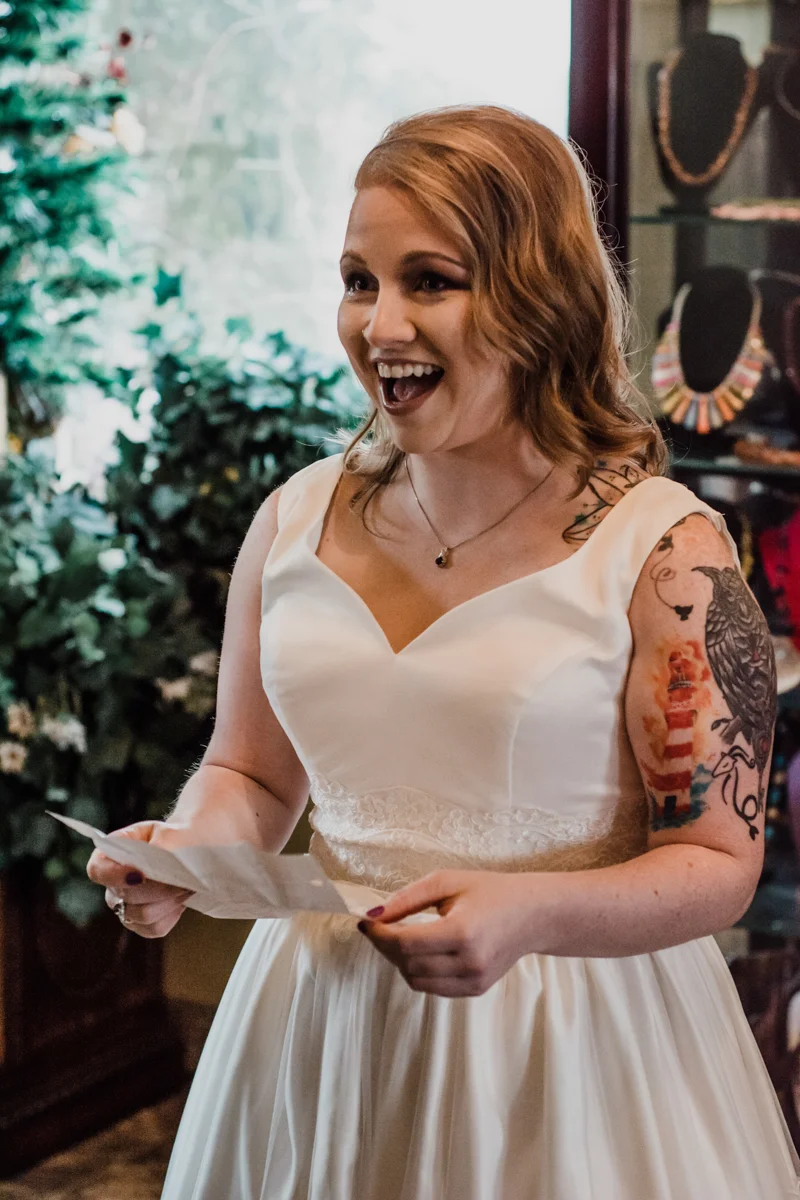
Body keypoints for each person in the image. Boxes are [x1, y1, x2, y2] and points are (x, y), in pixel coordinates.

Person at [87, 105, 800, 1199]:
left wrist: (531, 913)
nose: (379, 326)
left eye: (429, 281)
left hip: (567, 1051)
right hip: (315, 1032)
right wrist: (187, 853)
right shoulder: (292, 521)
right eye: (358, 280)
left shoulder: (666, 556)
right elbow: (252, 772)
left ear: (536, 297)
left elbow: (716, 862)